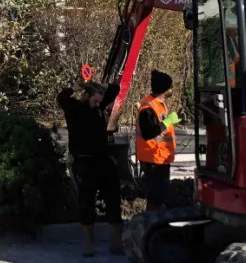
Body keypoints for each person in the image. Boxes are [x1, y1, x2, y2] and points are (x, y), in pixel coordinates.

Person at [59, 79, 123, 257]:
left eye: (100, 102)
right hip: (84, 163)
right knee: (86, 203)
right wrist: (77, 86)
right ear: (86, 97)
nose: (98, 104)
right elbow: (62, 97)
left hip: (103, 160)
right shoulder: (74, 110)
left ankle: (115, 243)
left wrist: (99, 86)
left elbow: (116, 89)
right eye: (95, 100)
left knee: (113, 198)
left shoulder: (100, 108)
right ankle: (89, 244)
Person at [136, 70, 179, 211]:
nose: (172, 89)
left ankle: (156, 226)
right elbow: (149, 132)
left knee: (159, 198)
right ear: (164, 90)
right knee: (155, 200)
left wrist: (172, 121)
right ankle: (152, 227)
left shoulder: (159, 104)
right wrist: (169, 121)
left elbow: (162, 128)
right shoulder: (147, 108)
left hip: (160, 159)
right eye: (170, 87)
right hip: (153, 161)